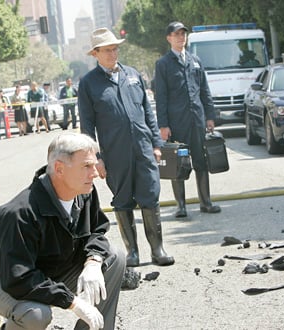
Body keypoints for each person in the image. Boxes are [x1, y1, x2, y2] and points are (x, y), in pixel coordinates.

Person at [0, 132, 126, 330]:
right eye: (86, 166)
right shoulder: (19, 212)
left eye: (94, 164)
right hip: (4, 281)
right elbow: (18, 279)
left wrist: (93, 262)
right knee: (36, 315)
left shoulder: (84, 192)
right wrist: (73, 301)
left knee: (115, 257)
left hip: (51, 270)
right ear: (59, 169)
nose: (95, 173)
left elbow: (97, 230)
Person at [78, 27, 174, 267]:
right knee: (122, 199)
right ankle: (132, 252)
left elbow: (147, 112)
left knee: (150, 194)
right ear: (96, 54)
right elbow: (87, 126)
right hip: (114, 152)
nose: (113, 54)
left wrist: (156, 143)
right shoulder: (89, 83)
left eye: (115, 49)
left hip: (143, 147)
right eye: (107, 50)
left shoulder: (132, 75)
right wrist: (95, 158)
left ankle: (157, 249)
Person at [155, 21, 221, 218]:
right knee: (178, 163)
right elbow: (161, 97)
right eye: (176, 34)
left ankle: (205, 202)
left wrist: (210, 116)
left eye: (183, 34)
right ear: (169, 38)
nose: (180, 38)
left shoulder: (195, 61)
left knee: (201, 161)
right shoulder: (163, 64)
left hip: (197, 120)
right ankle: (181, 206)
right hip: (176, 123)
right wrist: (163, 125)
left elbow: (204, 91)